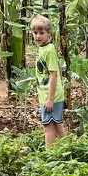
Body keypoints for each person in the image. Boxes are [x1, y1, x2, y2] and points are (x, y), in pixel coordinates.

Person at [31, 14, 66, 147]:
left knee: (48, 127)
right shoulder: (43, 48)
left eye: (41, 33)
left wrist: (50, 99)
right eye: (35, 33)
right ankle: (70, 149)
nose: (38, 36)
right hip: (48, 95)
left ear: (49, 33)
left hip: (51, 96)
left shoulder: (49, 50)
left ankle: (49, 156)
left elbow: (53, 75)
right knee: (56, 125)